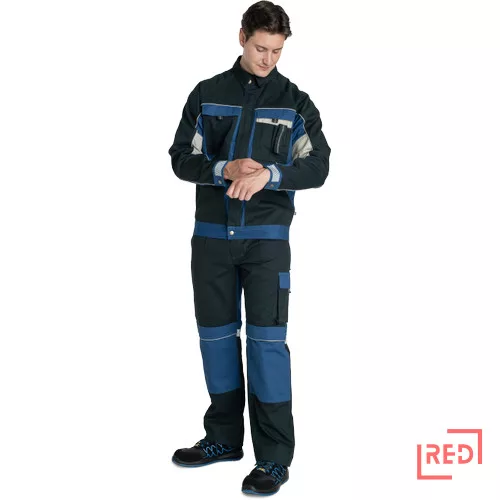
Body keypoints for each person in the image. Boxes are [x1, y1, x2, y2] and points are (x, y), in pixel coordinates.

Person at [168, 1, 330, 495]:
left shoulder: (295, 103)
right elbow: (180, 157)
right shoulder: (207, 94)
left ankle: (274, 459)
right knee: (216, 341)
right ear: (242, 37)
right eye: (261, 48)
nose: (268, 59)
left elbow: (318, 166)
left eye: (277, 51)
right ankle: (222, 439)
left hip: (266, 243)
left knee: (266, 347)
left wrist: (270, 175)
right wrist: (225, 169)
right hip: (211, 240)